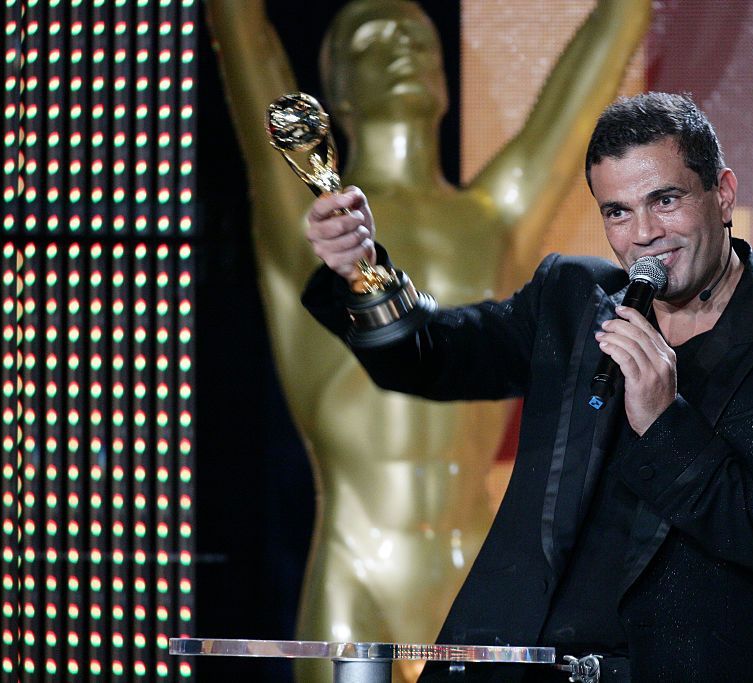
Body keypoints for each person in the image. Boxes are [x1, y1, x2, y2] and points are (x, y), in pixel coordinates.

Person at [303, 92, 753, 682]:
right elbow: (429, 356)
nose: (645, 233)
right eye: (618, 212)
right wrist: (362, 274)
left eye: (666, 200)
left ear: (723, 194)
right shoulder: (573, 301)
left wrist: (666, 425)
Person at [205, 1, 650, 677]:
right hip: (358, 571)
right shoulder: (313, 217)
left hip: (477, 558)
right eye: (372, 39)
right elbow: (245, 38)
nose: (404, 48)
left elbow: (583, 89)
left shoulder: (494, 218)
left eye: (417, 37)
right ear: (336, 90)